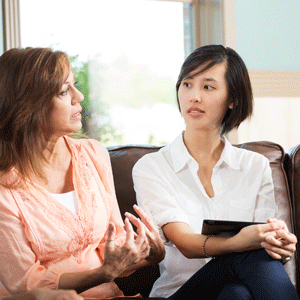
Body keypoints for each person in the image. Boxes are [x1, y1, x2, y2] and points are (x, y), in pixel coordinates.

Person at [132, 44, 299, 299]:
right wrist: (243, 242)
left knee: (236, 294)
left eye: (207, 86)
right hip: (180, 292)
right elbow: (186, 243)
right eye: (187, 84)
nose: (193, 96)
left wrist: (280, 246)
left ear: (232, 99)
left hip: (237, 288)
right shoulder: (152, 167)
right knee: (248, 257)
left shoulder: (256, 166)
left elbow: (264, 244)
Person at [0, 47, 164, 299]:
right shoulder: (4, 188)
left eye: (74, 85)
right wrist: (101, 274)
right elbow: (24, 283)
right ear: (28, 106)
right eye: (64, 91)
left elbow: (112, 246)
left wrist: (150, 254)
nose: (80, 96)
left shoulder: (92, 153)